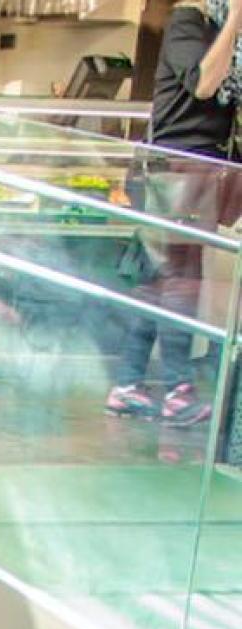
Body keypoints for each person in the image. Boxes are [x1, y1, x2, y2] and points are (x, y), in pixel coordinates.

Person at [107, 0, 242, 428]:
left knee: (158, 282)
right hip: (176, 169)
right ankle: (178, 390)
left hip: (198, 170)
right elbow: (204, 83)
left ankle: (128, 384)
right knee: (181, 279)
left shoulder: (213, 27)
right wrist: (236, 19)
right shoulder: (188, 22)